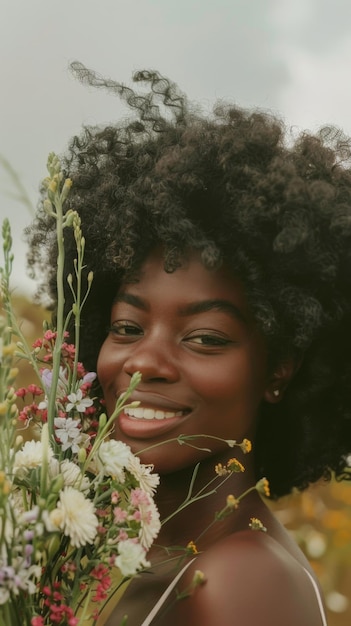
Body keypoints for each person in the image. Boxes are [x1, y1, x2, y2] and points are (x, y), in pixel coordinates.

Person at [26, 63, 351, 625]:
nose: (144, 361)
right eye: (126, 326)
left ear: (280, 368)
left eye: (204, 338)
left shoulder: (242, 584)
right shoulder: (116, 557)